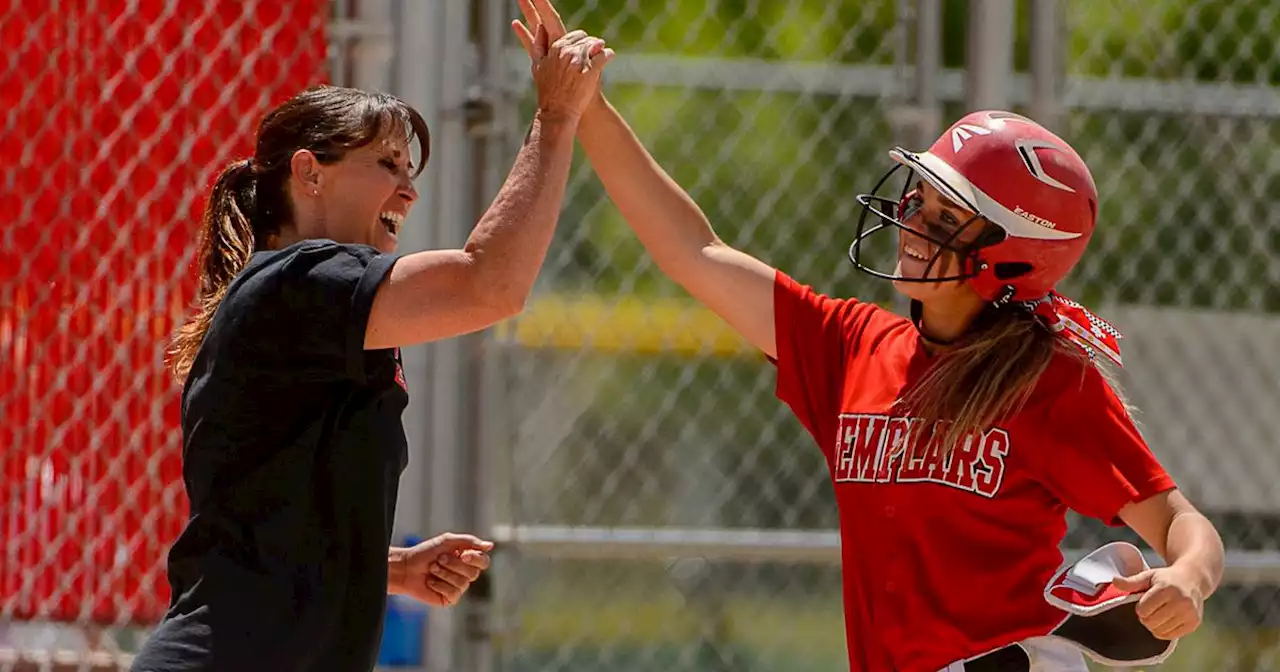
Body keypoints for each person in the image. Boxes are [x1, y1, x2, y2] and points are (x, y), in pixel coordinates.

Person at [512, 2, 1225, 670]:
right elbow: (693, 253)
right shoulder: (853, 346)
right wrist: (586, 110)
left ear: (1010, 259)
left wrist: (1187, 579)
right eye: (921, 199)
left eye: (946, 219)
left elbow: (1182, 524)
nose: (913, 222)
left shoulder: (1048, 385)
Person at [131, 25, 615, 672]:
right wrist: (556, 117)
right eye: (387, 164)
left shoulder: (305, 303)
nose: (408, 191)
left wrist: (383, 570)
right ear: (309, 171)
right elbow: (488, 283)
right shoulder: (298, 283)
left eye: (408, 172)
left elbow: (262, 523)